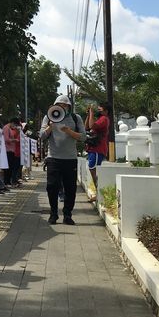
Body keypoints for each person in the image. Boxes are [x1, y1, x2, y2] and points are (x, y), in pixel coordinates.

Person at [39, 94, 85, 225]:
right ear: (55, 106)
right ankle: (53, 213)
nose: (62, 108)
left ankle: (67, 214)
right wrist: (50, 127)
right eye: (59, 105)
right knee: (51, 187)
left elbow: (83, 137)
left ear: (69, 107)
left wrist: (69, 131)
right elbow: (41, 136)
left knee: (70, 189)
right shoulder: (48, 117)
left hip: (70, 159)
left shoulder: (76, 118)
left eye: (65, 106)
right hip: (53, 158)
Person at [85, 102, 111, 201]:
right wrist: (89, 115)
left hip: (98, 149)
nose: (98, 109)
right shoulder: (100, 119)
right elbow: (87, 127)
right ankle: (98, 192)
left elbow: (92, 126)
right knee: (92, 169)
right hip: (94, 149)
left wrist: (91, 113)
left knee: (93, 169)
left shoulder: (104, 119)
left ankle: (99, 193)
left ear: (106, 111)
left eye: (100, 108)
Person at [3, 118, 22, 187]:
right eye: (15, 124)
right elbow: (6, 139)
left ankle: (8, 182)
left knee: (11, 167)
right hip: (8, 150)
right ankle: (6, 182)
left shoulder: (10, 129)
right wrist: (14, 140)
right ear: (12, 122)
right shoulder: (6, 128)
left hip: (11, 150)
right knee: (8, 167)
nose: (15, 126)